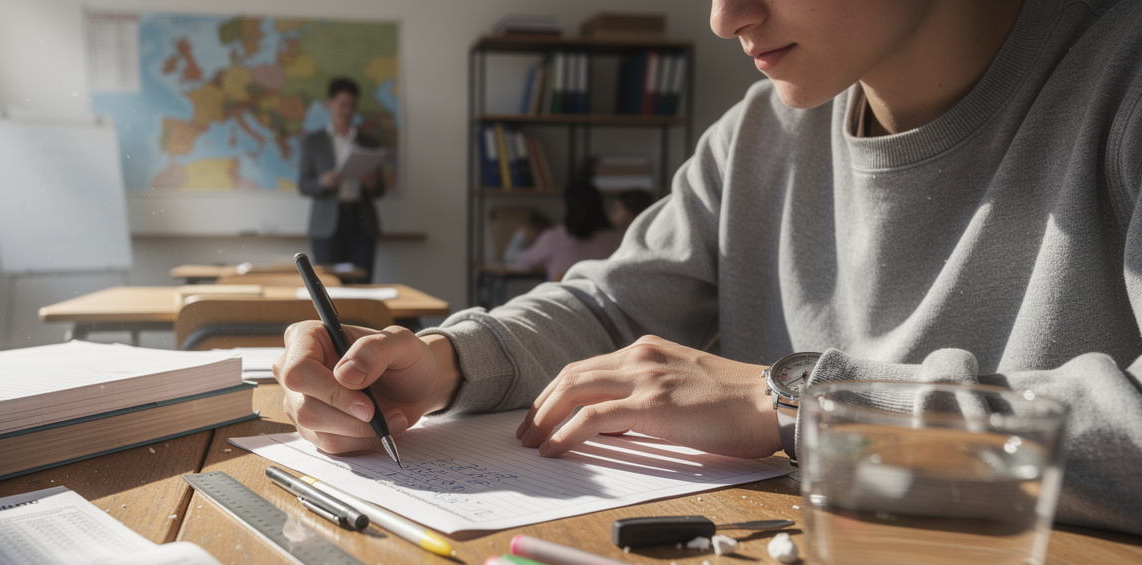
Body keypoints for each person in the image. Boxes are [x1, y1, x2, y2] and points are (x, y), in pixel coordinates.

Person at [274, 0, 1142, 535]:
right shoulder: (759, 133)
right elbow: (617, 310)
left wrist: (796, 401)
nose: (726, 16)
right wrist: (444, 362)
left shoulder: (1122, 80)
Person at [298, 76, 385, 281]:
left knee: (363, 284)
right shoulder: (314, 141)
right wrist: (323, 182)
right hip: (327, 225)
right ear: (330, 103)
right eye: (342, 104)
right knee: (329, 286)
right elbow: (303, 184)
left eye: (352, 106)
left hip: (362, 222)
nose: (347, 111)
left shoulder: (368, 142)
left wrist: (372, 184)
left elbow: (380, 189)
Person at [514, 180, 624, 280]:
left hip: (562, 299)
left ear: (565, 206)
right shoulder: (618, 238)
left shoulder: (553, 237)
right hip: (603, 299)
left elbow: (522, 264)